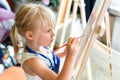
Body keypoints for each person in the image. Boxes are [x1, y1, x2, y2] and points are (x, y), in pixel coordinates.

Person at [10, 3, 80, 80]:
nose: (54, 34)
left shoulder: (39, 47)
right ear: (30, 35)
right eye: (48, 31)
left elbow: (48, 58)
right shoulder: (33, 62)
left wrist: (64, 53)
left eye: (53, 28)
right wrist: (71, 57)